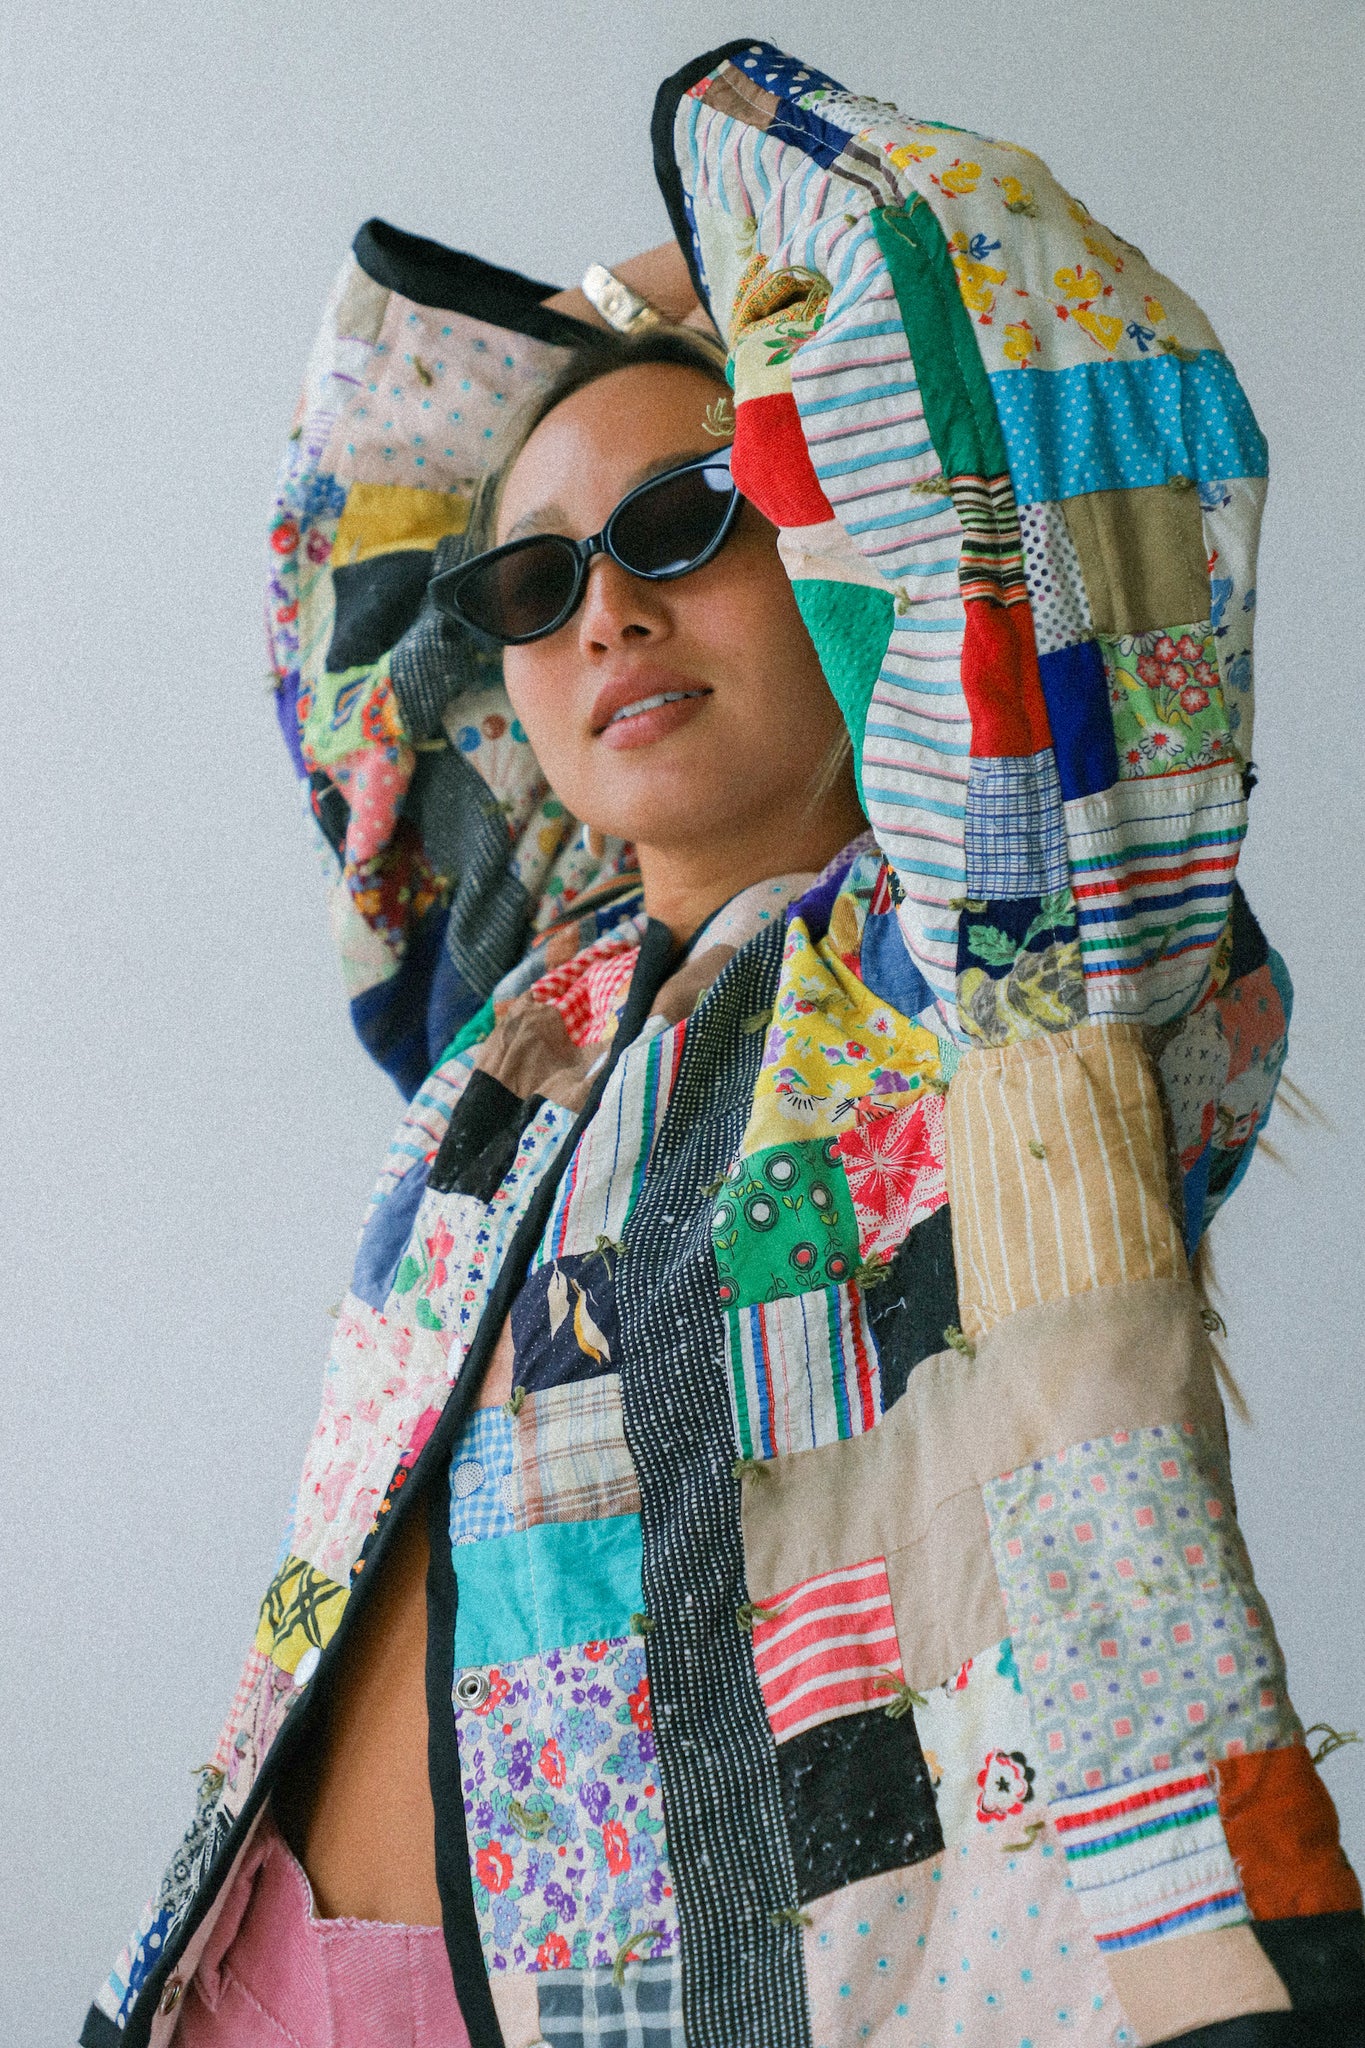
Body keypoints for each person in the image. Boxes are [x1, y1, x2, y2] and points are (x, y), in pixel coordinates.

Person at [84, 38, 1364, 2048]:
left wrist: (687, 289)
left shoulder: (1009, 951)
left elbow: (1011, 329)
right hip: (257, 1970)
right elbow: (355, 592)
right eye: (535, 577)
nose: (600, 610)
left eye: (685, 520)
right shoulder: (516, 1015)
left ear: (834, 528)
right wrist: (594, 352)